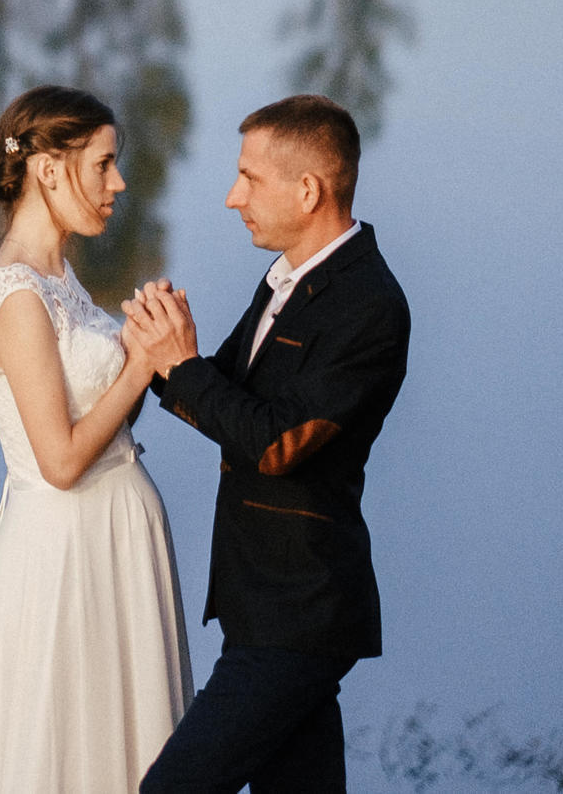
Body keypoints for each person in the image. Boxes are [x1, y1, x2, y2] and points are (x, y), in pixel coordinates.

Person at [124, 93, 412, 794]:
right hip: (262, 602)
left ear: (308, 189)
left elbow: (278, 442)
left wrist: (182, 364)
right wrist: (146, 354)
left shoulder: (369, 305)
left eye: (250, 178)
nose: (231, 196)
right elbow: (225, 394)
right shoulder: (288, 276)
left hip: (301, 611)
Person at [0, 85, 194, 794]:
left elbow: (103, 419)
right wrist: (140, 363)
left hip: (114, 535)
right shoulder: (18, 295)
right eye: (103, 164)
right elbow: (58, 460)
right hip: (67, 547)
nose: (117, 183)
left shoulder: (60, 275)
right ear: (49, 168)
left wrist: (152, 344)